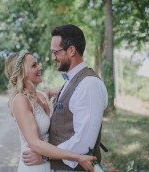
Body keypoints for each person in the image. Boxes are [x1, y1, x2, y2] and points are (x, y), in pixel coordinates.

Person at [22, 24, 108, 172]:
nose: (53, 57)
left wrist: (46, 156)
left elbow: (84, 142)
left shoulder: (89, 84)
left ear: (71, 50)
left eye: (55, 52)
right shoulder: (73, 80)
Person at [5, 49, 97, 172]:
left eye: (37, 63)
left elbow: (72, 88)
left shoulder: (43, 94)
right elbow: (35, 143)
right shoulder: (21, 101)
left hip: (50, 163)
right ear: (22, 73)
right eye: (34, 65)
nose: (40, 67)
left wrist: (88, 77)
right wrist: (77, 157)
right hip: (34, 166)